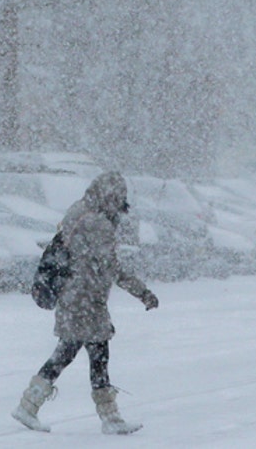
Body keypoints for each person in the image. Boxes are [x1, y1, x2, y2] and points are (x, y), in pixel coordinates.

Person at [12, 171, 159, 435]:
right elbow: (112, 267)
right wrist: (143, 292)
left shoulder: (78, 210)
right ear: (111, 196)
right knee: (91, 355)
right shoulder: (98, 223)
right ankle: (107, 417)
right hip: (86, 300)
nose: (120, 204)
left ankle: (31, 404)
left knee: (75, 353)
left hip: (74, 296)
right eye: (119, 198)